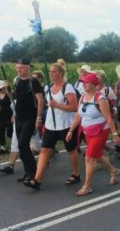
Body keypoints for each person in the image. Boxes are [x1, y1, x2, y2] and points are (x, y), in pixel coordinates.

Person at [24, 61, 80, 190]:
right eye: (50, 72)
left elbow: (74, 107)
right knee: (45, 150)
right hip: (51, 124)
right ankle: (37, 179)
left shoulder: (68, 87)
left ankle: (76, 174)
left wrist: (58, 105)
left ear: (61, 73)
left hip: (65, 124)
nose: (51, 74)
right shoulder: (48, 88)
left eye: (54, 72)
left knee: (71, 150)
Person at [66, 73, 120, 196]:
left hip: (101, 131)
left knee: (89, 157)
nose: (83, 84)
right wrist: (70, 130)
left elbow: (108, 118)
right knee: (97, 155)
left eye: (86, 82)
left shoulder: (100, 99)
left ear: (93, 84)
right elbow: (78, 115)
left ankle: (87, 186)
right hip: (88, 131)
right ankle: (113, 171)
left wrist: (115, 134)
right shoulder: (83, 97)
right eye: (83, 82)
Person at [7, 58, 44, 183]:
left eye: (21, 68)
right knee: (21, 146)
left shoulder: (33, 82)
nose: (19, 70)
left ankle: (33, 172)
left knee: (23, 144)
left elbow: (40, 101)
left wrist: (38, 118)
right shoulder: (17, 81)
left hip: (30, 118)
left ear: (28, 67)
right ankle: (27, 171)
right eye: (17, 68)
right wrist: (7, 90)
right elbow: (15, 99)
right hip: (19, 118)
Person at [0, 80, 13, 154]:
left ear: (4, 87)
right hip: (2, 115)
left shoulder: (8, 94)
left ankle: (16, 145)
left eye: (0, 89)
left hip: (10, 114)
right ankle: (2, 147)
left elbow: (12, 98)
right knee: (1, 130)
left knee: (10, 132)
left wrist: (7, 89)